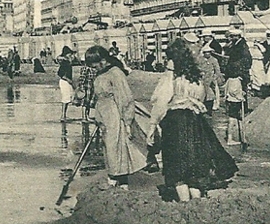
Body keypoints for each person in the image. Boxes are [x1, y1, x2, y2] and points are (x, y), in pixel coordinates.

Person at [148, 39, 238, 202]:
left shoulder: (171, 75)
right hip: (196, 122)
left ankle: (184, 203)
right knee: (194, 164)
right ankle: (197, 202)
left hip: (176, 122)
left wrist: (153, 124)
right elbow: (202, 97)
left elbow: (161, 100)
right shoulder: (195, 76)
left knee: (178, 166)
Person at [84, 45, 146, 190]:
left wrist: (127, 121)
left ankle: (116, 180)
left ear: (103, 60)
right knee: (109, 147)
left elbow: (125, 98)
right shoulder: (100, 74)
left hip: (115, 115)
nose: (92, 68)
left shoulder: (116, 73)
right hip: (104, 117)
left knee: (116, 147)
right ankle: (118, 180)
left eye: (93, 64)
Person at [57, 46, 76, 122]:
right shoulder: (65, 62)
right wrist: (68, 79)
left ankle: (64, 115)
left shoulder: (67, 62)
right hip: (64, 82)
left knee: (68, 98)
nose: (70, 55)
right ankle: (63, 116)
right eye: (69, 54)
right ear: (66, 54)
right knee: (65, 98)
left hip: (66, 82)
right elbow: (60, 73)